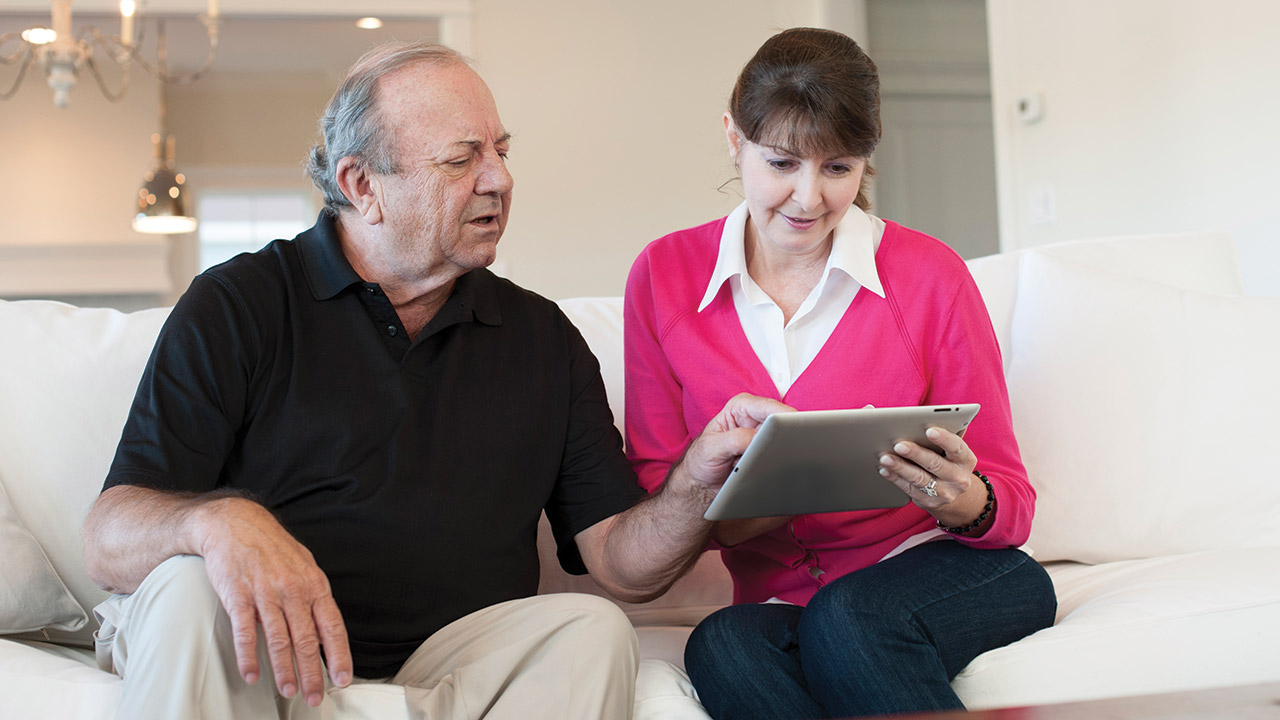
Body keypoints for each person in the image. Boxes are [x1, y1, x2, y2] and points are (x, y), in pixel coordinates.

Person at [82, 41, 783, 720]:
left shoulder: (543, 340)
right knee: (186, 584)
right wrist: (216, 521)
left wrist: (694, 481)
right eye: (462, 159)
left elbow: (624, 567)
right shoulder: (240, 304)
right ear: (363, 186)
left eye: (500, 151)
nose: (499, 179)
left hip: (452, 664)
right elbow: (108, 538)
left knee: (590, 629)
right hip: (269, 660)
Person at [624, 27, 1057, 719]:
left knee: (849, 619)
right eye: (783, 163)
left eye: (838, 168)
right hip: (787, 598)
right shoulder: (663, 276)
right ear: (734, 138)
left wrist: (957, 498)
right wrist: (749, 484)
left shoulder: (927, 274)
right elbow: (657, 488)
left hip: (955, 570)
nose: (808, 198)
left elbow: (1008, 499)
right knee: (724, 644)